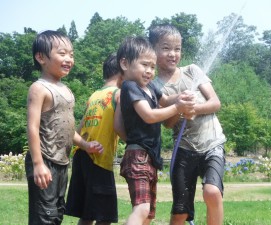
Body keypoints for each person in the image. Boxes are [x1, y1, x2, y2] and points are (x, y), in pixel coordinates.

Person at [149, 24, 227, 225]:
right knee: (180, 212)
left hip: (212, 143)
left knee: (212, 192)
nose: (173, 54)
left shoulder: (192, 71)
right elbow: (167, 123)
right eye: (166, 48)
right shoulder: (155, 85)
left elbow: (215, 103)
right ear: (153, 50)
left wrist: (194, 109)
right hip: (183, 148)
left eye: (177, 49)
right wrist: (178, 107)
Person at [114, 36, 195, 225]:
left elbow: (166, 101)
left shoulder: (149, 87)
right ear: (125, 63)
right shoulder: (130, 86)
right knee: (142, 209)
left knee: (148, 213)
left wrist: (181, 97)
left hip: (150, 157)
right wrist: (179, 108)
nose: (150, 71)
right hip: (139, 156)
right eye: (144, 65)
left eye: (152, 66)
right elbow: (149, 115)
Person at [25, 30, 103, 225]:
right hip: (45, 160)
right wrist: (37, 164)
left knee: (57, 213)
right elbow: (32, 127)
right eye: (62, 53)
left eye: (71, 54)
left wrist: (85, 145)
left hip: (61, 162)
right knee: (44, 216)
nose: (68, 58)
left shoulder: (67, 90)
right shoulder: (39, 88)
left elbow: (67, 129)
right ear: (41, 57)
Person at [65, 52, 123, 225]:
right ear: (123, 70)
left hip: (81, 155)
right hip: (98, 158)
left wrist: (84, 145)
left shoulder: (94, 95)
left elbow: (76, 130)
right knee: (104, 215)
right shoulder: (119, 94)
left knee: (87, 213)